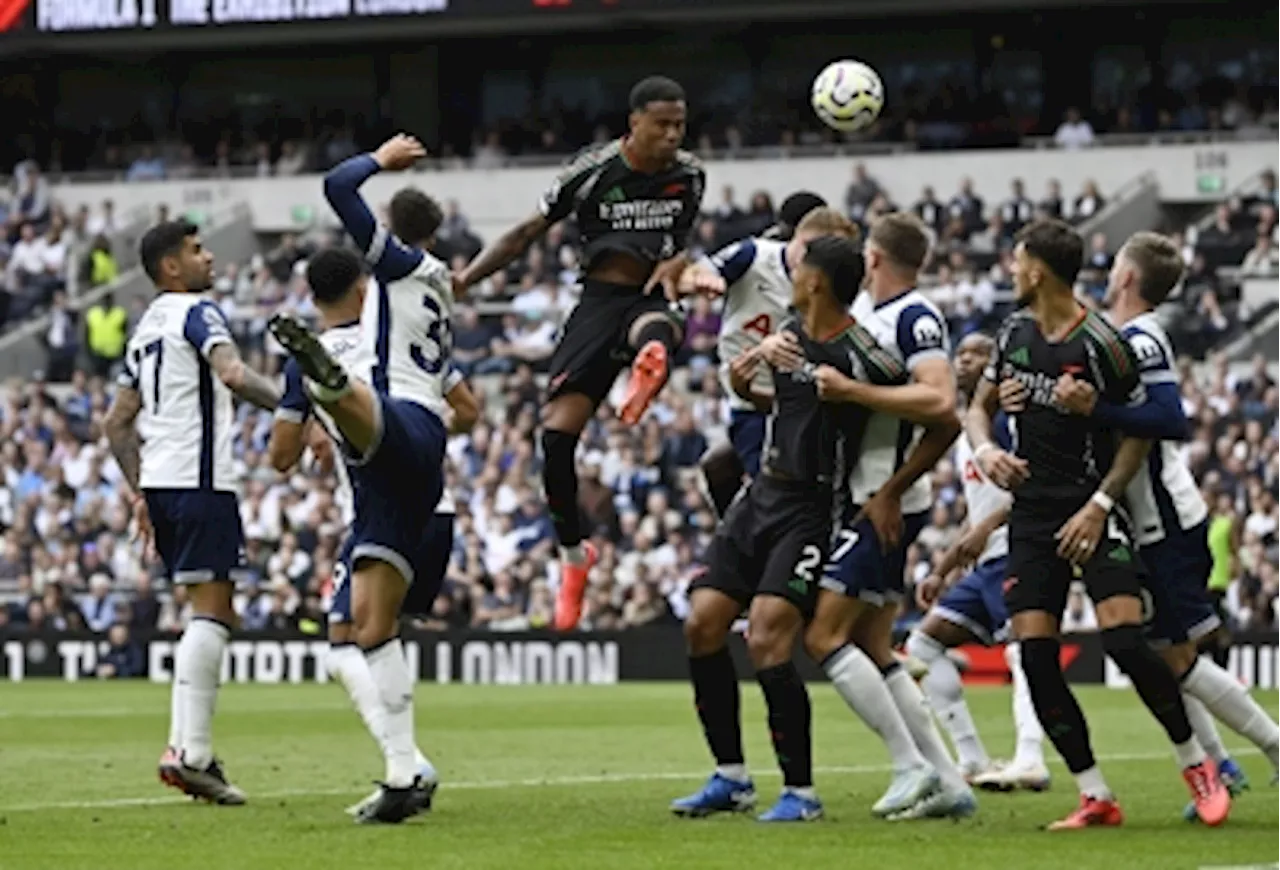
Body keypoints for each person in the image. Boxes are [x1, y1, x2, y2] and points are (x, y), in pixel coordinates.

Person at [967, 218, 1229, 830]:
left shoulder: (1104, 343)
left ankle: (1197, 763)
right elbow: (977, 407)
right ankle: (1094, 794)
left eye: (1017, 260)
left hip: (1090, 504)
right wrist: (985, 450)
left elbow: (1138, 430)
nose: (1009, 269)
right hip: (1032, 512)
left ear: (1038, 271)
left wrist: (1101, 505)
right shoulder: (1012, 332)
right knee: (1034, 655)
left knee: (1125, 641)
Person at [1031, 231, 1280, 816]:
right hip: (1138, 517)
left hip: (1164, 518)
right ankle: (1221, 765)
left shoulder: (1142, 339)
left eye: (1115, 262)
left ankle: (1266, 746)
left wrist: (1097, 409)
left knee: (1176, 658)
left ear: (1126, 278)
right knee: (1163, 652)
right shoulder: (1114, 336)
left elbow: (1170, 418)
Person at [452, 76, 711, 630]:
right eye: (662, 125)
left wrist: (675, 263)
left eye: (679, 126)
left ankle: (651, 368)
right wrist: (467, 280)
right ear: (634, 122)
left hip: (650, 295)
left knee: (658, 325)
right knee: (555, 438)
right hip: (597, 301)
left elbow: (681, 245)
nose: (672, 135)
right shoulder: (591, 171)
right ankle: (575, 558)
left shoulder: (689, 176)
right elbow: (525, 233)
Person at [669, 235, 905, 823]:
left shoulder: (863, 352)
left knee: (769, 637)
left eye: (799, 270)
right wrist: (746, 379)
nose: (790, 276)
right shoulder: (791, 336)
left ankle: (800, 791)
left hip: (811, 506)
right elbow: (776, 403)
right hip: (761, 495)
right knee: (703, 622)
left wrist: (891, 487)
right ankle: (731, 776)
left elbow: (927, 407)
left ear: (817, 282)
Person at [268, 133, 453, 824]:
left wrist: (381, 159)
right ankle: (403, 774)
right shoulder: (437, 281)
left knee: (363, 416)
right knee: (369, 629)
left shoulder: (400, 269)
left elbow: (337, 188)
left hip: (396, 421)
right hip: (411, 468)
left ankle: (327, 382)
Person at [762, 212, 969, 820]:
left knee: (823, 634)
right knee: (874, 643)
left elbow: (940, 406)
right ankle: (949, 780)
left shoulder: (913, 317)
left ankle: (910, 767)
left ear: (871, 259)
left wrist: (886, 481)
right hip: (864, 494)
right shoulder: (867, 325)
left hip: (883, 500)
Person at [103, 219, 282, 805]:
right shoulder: (198, 313)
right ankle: (191, 752)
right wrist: (299, 404)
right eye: (197, 250)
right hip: (202, 482)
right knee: (214, 612)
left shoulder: (144, 328)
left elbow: (116, 422)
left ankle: (188, 748)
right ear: (171, 267)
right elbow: (233, 373)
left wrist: (138, 492)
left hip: (162, 485)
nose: (209, 258)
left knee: (204, 611)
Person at [905, 332, 1049, 792]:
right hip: (986, 560)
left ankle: (1031, 757)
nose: (965, 360)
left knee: (1024, 651)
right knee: (923, 646)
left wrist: (985, 531)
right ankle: (971, 758)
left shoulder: (1008, 420)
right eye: (961, 353)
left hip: (1019, 549)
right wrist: (946, 566)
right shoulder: (970, 429)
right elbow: (980, 503)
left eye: (978, 355)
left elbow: (1038, 485)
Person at [687, 198, 844, 517]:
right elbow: (699, 271)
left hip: (803, 404)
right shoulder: (754, 256)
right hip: (751, 400)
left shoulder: (829, 285)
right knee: (761, 488)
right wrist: (703, 279)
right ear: (797, 239)